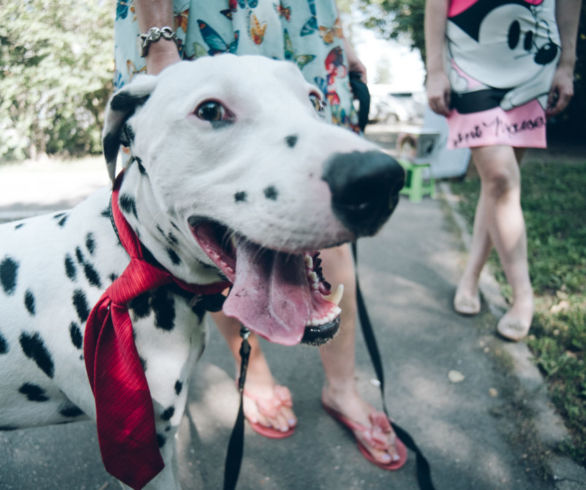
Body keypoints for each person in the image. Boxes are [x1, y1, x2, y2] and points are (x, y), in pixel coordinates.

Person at [114, 0, 406, 468]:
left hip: (302, 22)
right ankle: (256, 376)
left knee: (322, 219)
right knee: (208, 226)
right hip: (197, 18)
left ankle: (343, 387)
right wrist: (160, 43)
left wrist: (341, 41)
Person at [425, 0, 581, 341]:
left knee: (496, 187)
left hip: (531, 55)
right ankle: (523, 294)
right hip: (468, 59)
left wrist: (567, 62)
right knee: (499, 177)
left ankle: (471, 275)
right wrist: (435, 69)